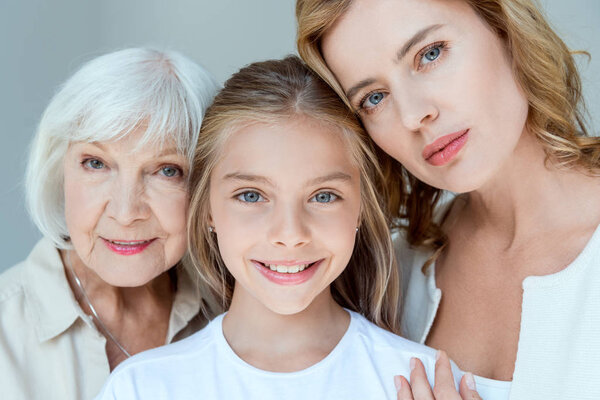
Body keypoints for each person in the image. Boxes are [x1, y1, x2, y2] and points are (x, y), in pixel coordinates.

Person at [93, 55, 489, 399]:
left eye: (323, 196)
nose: (290, 233)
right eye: (251, 196)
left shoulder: (422, 380)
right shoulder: (143, 388)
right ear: (208, 209)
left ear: (361, 209)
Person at [296, 0, 600, 399]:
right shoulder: (393, 274)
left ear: (503, 27)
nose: (411, 116)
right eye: (373, 97)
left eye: (430, 54)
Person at [0, 48, 219, 400]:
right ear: (60, 170)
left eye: (167, 170)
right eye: (96, 164)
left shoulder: (231, 314)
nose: (125, 211)